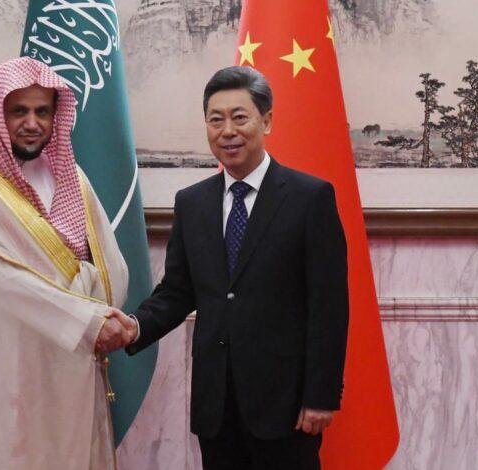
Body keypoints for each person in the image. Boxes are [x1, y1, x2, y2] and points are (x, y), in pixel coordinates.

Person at [124, 66, 349, 469]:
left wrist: (321, 396)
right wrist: (134, 326)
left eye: (239, 117)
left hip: (286, 406)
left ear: (267, 121)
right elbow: (178, 292)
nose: (227, 131)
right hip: (217, 406)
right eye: (216, 120)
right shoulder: (192, 203)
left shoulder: (309, 198)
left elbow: (328, 307)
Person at [0, 57, 132, 469]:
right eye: (19, 111)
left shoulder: (72, 178)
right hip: (1, 369)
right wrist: (86, 318)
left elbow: (109, 264)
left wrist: (106, 318)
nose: (32, 123)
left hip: (66, 365)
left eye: (42, 112)